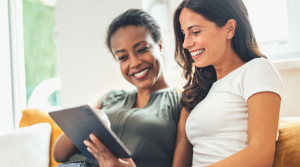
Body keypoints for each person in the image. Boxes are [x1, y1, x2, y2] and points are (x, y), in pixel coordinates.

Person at [88, 0, 283, 167]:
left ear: (229, 28)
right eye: (184, 34)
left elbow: (261, 154)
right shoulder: (201, 91)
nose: (186, 43)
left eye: (195, 32)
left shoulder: (256, 69)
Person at [53, 9, 187, 167]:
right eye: (123, 57)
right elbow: (59, 154)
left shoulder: (182, 103)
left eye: (142, 49)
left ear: (159, 45)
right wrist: (93, 119)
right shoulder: (111, 97)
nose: (134, 63)